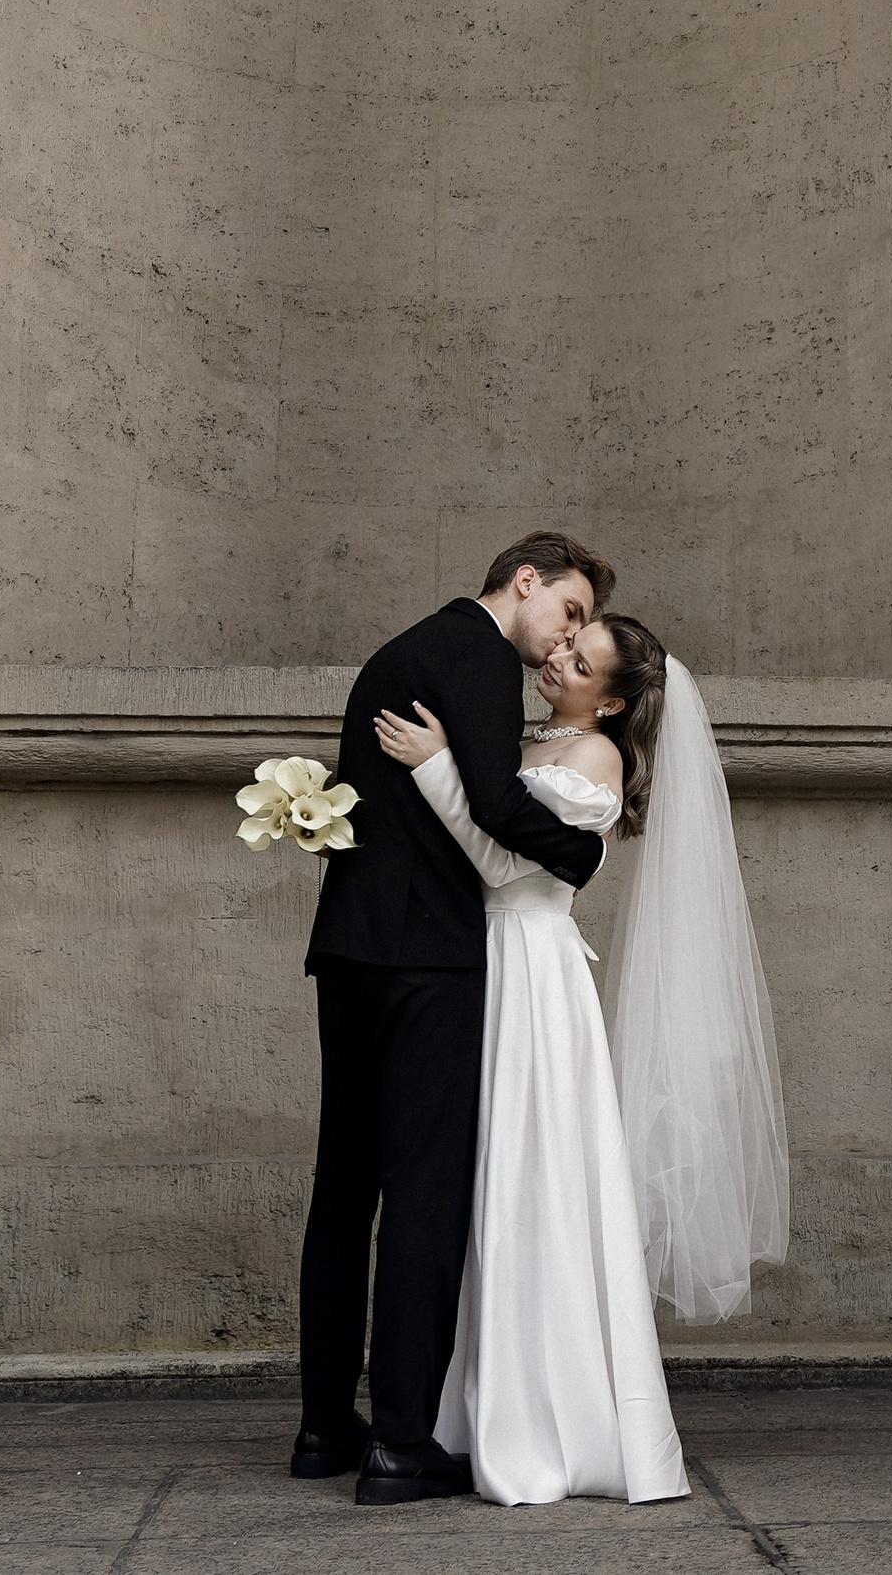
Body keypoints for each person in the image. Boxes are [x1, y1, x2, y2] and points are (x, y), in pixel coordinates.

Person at [373, 612, 789, 1504]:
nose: (558, 656)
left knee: (531, 1178)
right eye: (567, 642)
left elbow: (499, 860)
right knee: (473, 1182)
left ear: (612, 698)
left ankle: (544, 1417)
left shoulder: (596, 761)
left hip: (529, 970)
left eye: (581, 658)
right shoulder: (523, 734)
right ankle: (460, 1407)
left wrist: (437, 765)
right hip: (474, 962)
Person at [293, 532, 616, 1506]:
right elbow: (488, 805)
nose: (564, 635)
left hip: (349, 949)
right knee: (423, 1197)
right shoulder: (474, 655)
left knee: (343, 1191)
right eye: (567, 609)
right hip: (427, 961)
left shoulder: (398, 650)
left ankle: (320, 1428)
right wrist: (580, 856)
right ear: (526, 580)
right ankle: (398, 1445)